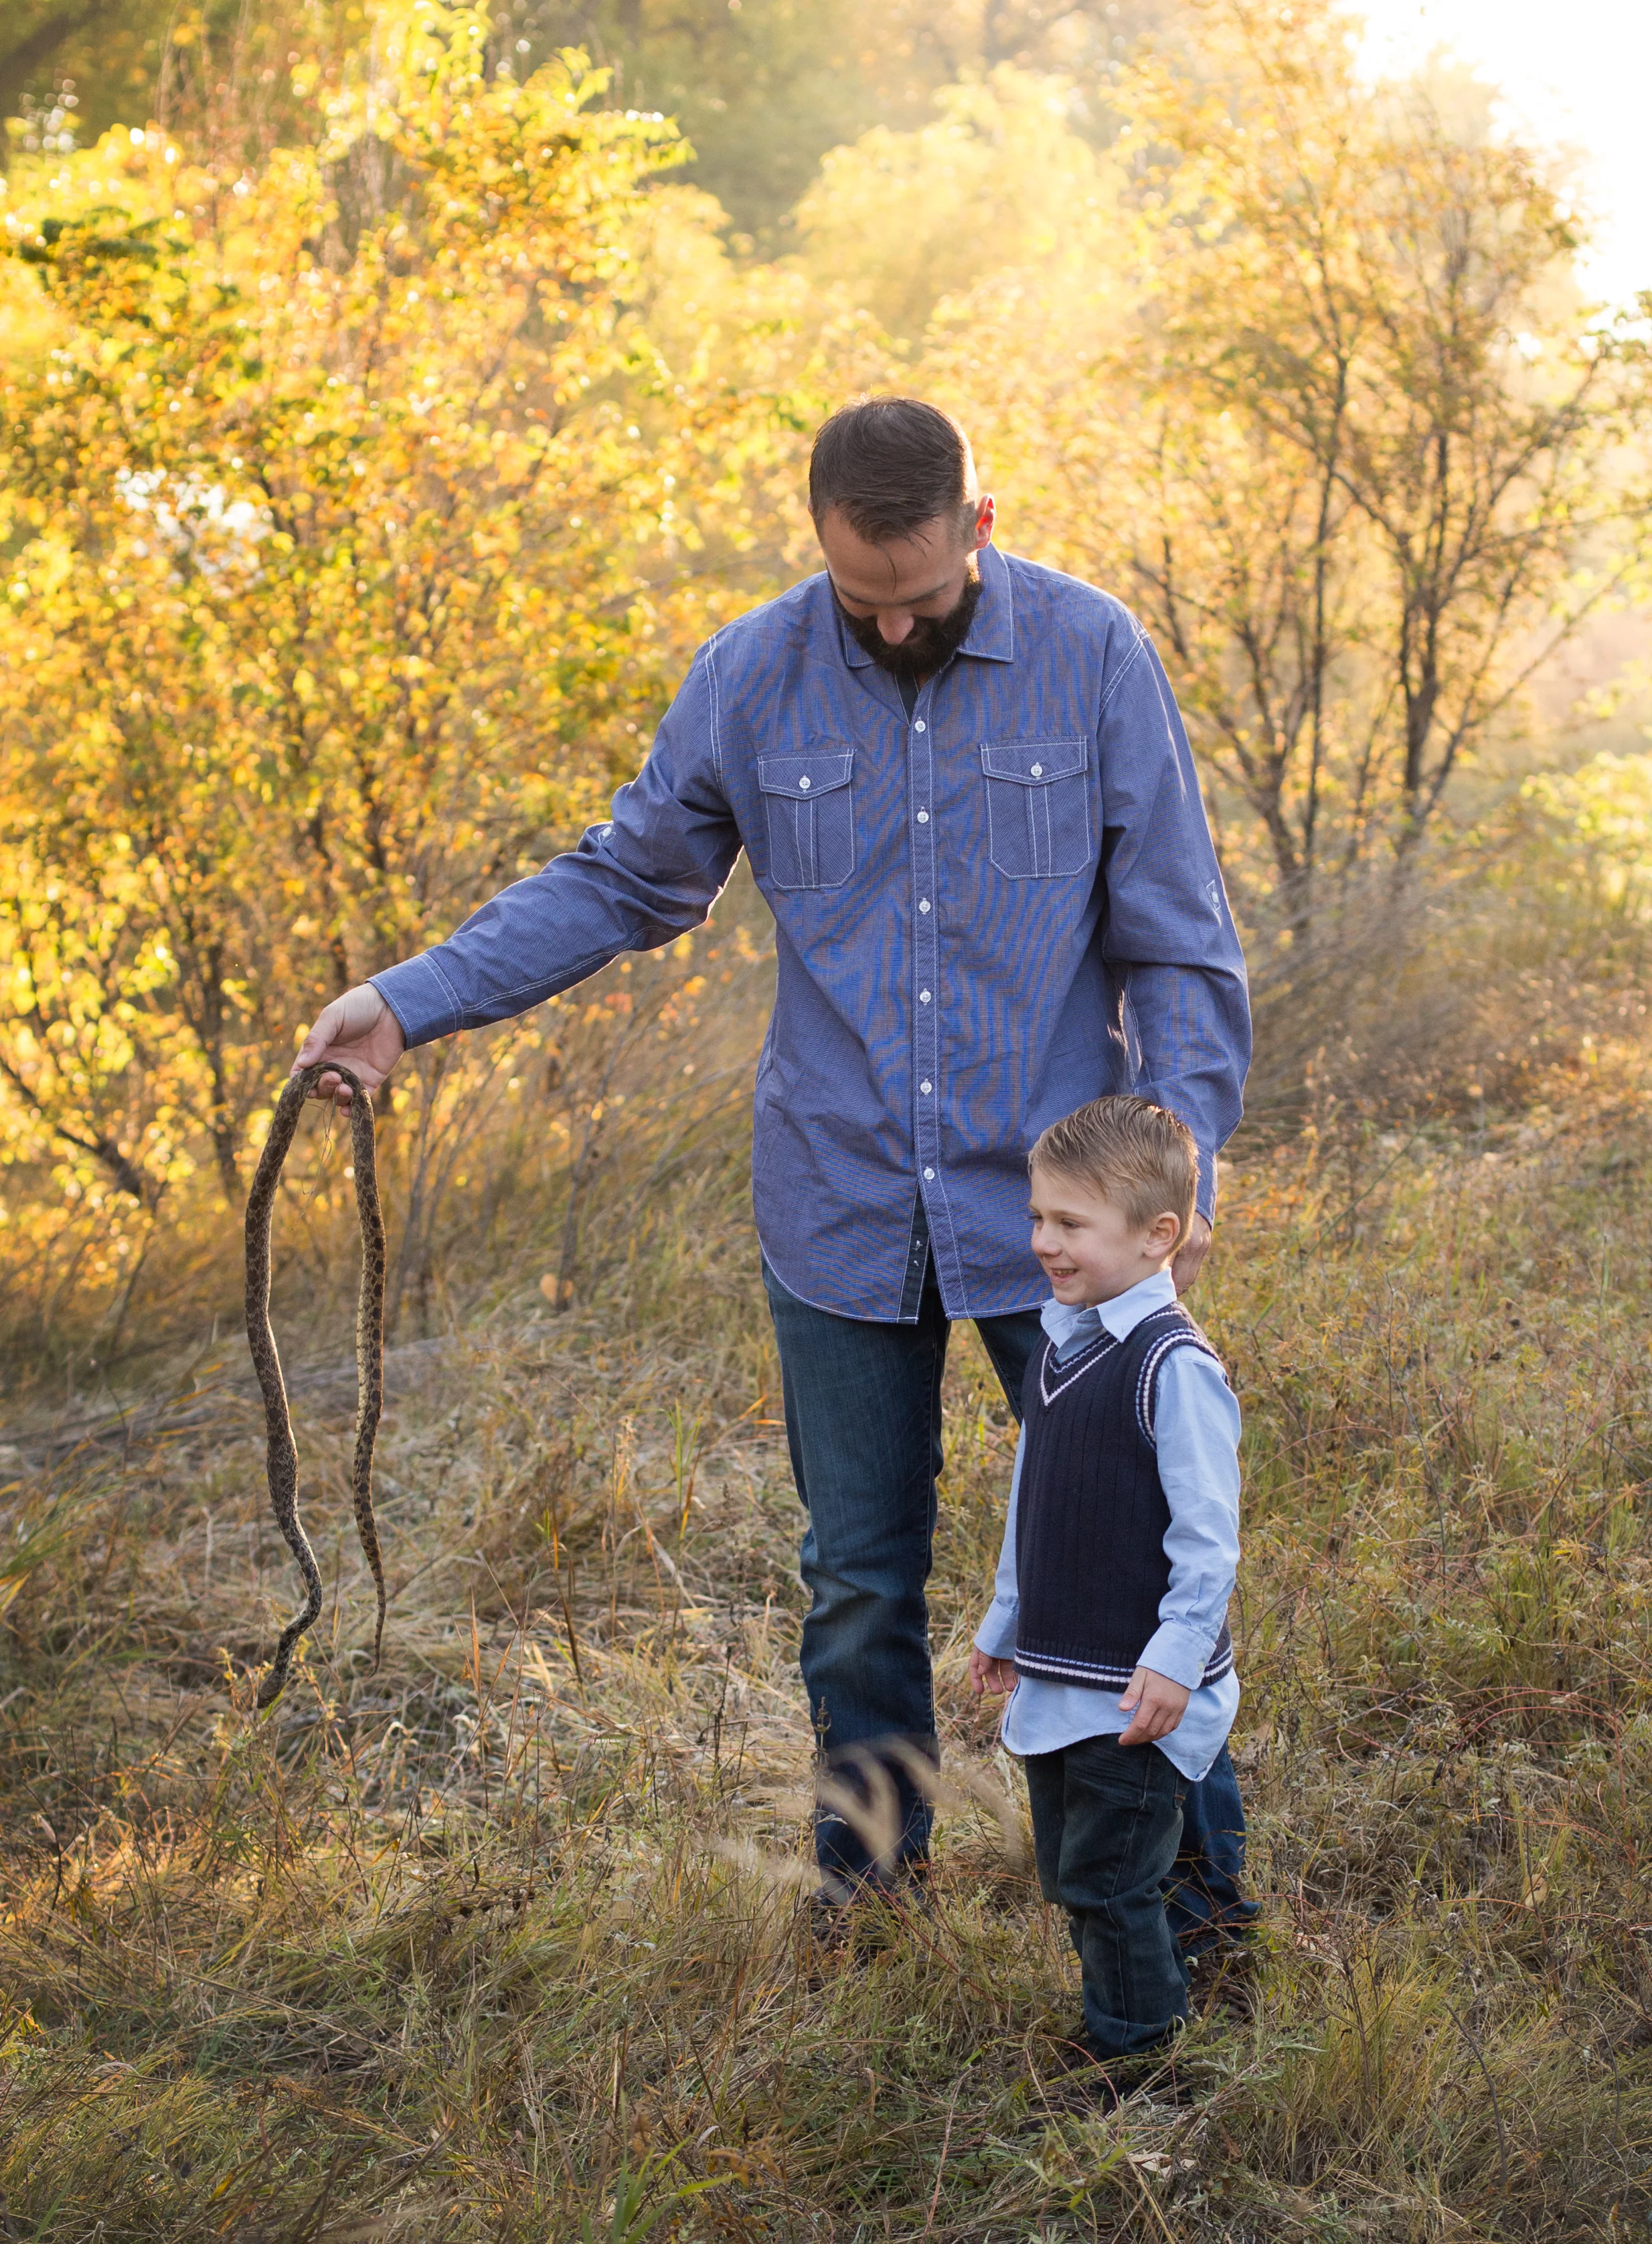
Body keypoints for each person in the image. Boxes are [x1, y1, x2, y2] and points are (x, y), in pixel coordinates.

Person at [293, 395, 1252, 1917]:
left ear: (978, 528)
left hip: (1069, 1212)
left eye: (920, 597)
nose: (892, 627)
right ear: (817, 543)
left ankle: (1190, 1905)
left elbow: (1176, 933)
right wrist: (409, 1002)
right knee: (858, 1577)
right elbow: (622, 882)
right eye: (862, 599)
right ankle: (872, 1890)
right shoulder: (750, 676)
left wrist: (1179, 1150)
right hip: (841, 1196)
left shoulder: (1093, 657)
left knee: (1122, 1551)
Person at [970, 1096, 1244, 2108]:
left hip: (1136, 1688)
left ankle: (1136, 2059)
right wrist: (1008, 1621)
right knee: (1074, 1869)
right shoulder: (1061, 1344)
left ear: (1157, 1235)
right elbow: (1032, 1502)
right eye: (1038, 1218)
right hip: (1063, 1671)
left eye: (1070, 1223)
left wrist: (1177, 1656)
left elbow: (1208, 1536)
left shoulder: (1173, 1366)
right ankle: (1168, 1986)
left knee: (1111, 1878)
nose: (1043, 1242)